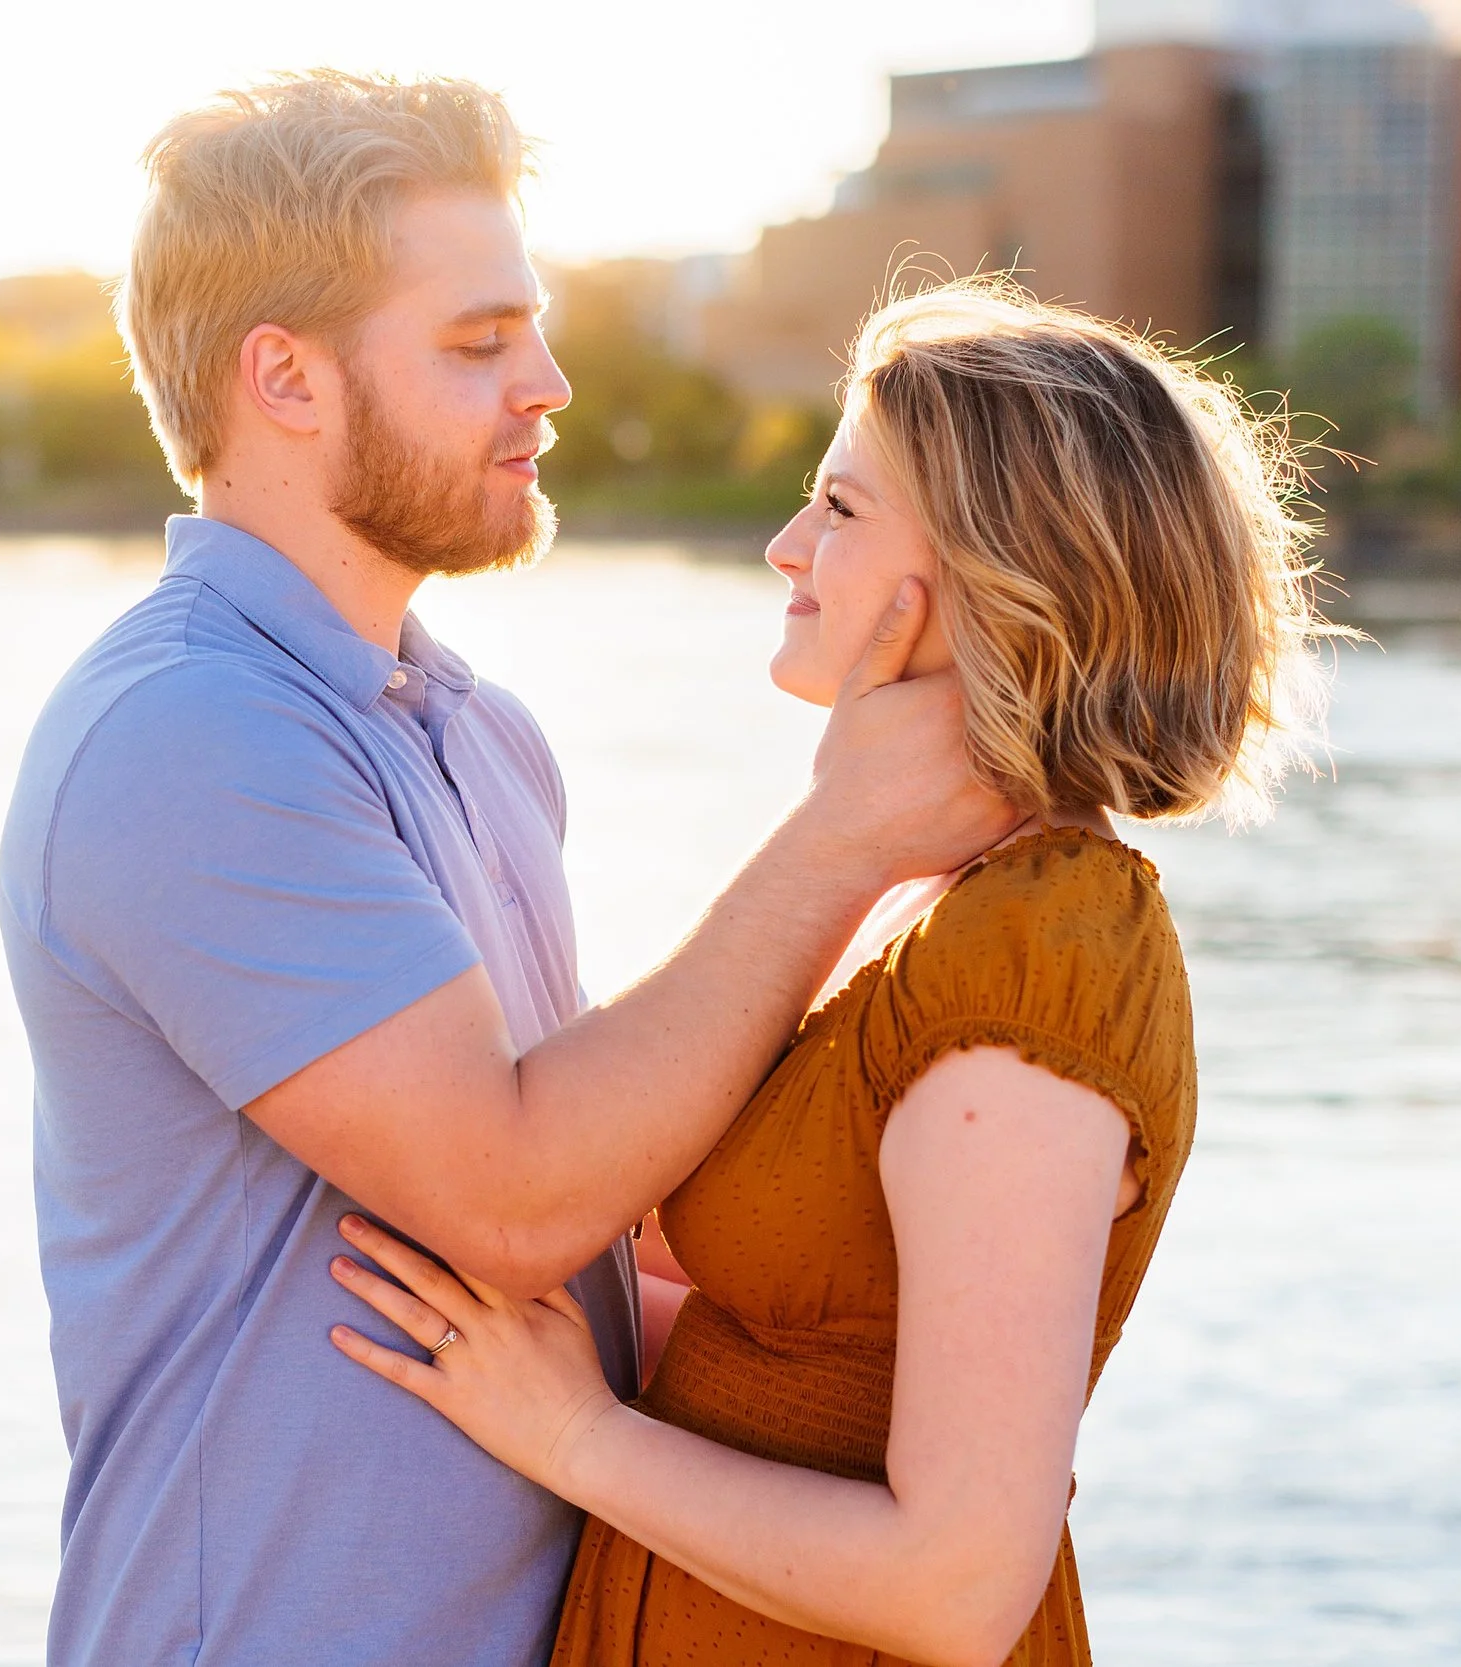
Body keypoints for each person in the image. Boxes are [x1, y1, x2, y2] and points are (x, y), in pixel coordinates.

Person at [0, 74, 1016, 1667]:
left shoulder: (481, 736)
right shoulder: (186, 736)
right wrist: (845, 833)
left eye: (531, 329)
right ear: (287, 378)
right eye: (478, 343)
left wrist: (961, 1439)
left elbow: (620, 1210)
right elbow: (523, 1196)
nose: (545, 381)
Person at [325, 278, 1341, 1667]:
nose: (787, 545)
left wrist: (574, 1434)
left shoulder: (1039, 952)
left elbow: (957, 1585)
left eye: (843, 509)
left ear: (1005, 569)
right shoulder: (930, 904)